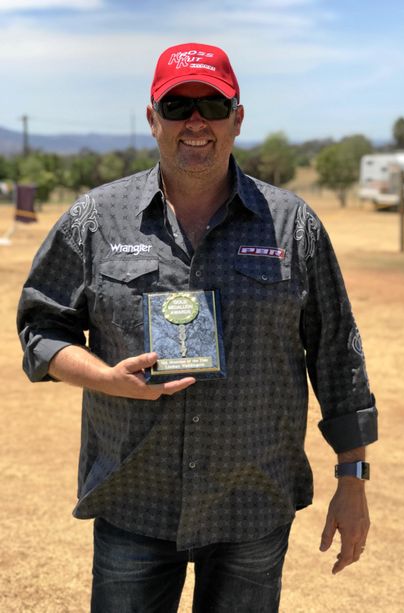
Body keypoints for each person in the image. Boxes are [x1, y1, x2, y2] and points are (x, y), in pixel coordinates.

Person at [17, 42, 378, 612]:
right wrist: (105, 377)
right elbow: (41, 329)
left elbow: (337, 355)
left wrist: (352, 480)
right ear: (151, 118)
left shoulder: (293, 226)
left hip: (251, 505)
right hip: (135, 498)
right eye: (177, 104)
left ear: (237, 118)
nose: (195, 122)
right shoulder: (96, 219)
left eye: (211, 105)